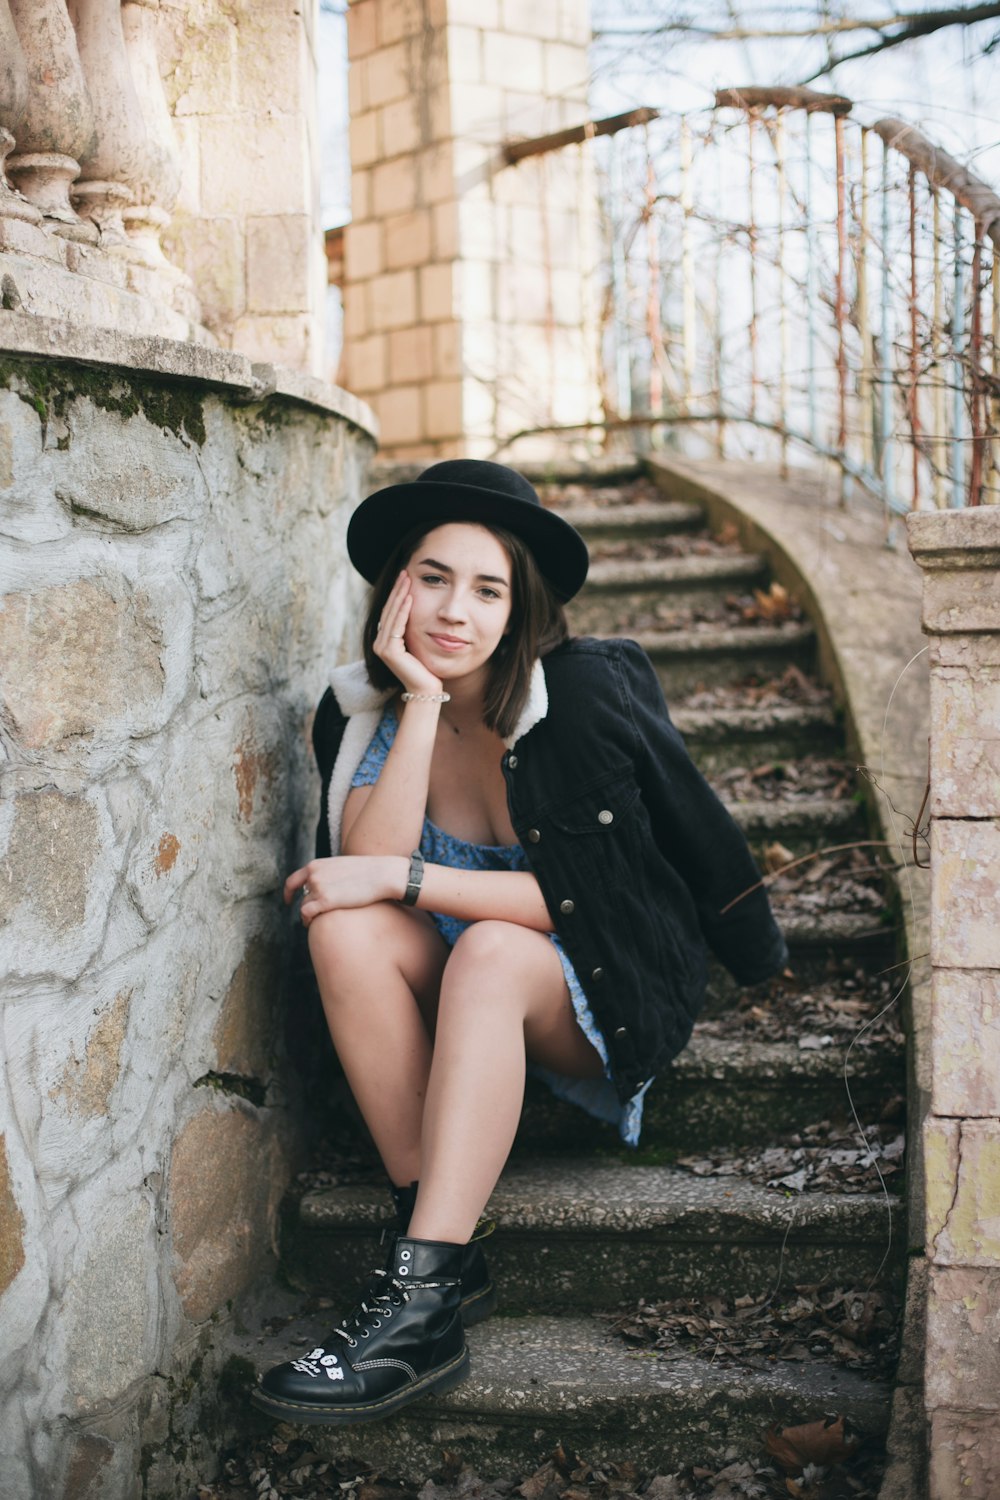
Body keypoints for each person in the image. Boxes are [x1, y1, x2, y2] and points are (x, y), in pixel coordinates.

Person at [252, 459, 787, 1426]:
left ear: (519, 607)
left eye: (487, 588)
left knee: (490, 948)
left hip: (587, 982)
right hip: (451, 988)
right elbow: (364, 868)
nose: (456, 611)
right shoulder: (360, 712)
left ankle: (413, 1309)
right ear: (394, 592)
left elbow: (609, 889)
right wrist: (418, 700)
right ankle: (444, 1252)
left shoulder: (579, 694)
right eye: (433, 579)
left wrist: (754, 949)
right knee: (344, 929)